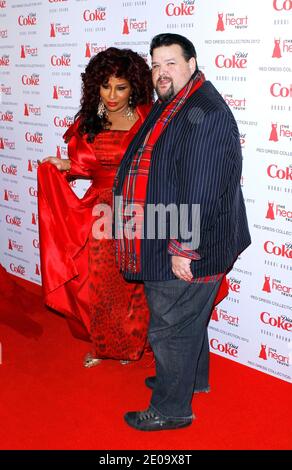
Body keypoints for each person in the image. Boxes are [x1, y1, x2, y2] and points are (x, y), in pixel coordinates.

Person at [113, 33, 251, 431]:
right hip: (165, 230)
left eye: (171, 62)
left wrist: (183, 248)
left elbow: (202, 187)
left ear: (192, 64)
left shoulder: (202, 112)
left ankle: (172, 409)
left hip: (188, 240)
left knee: (171, 324)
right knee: (187, 318)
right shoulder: (175, 102)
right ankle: (191, 379)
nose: (161, 72)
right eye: (155, 64)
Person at [37, 47, 153, 367]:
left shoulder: (147, 119)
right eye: (105, 86)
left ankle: (131, 345)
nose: (112, 95)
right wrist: (65, 165)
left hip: (136, 206)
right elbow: (87, 165)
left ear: (134, 88)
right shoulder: (92, 119)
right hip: (100, 207)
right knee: (99, 282)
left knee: (134, 282)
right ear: (95, 86)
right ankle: (104, 344)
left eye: (120, 87)